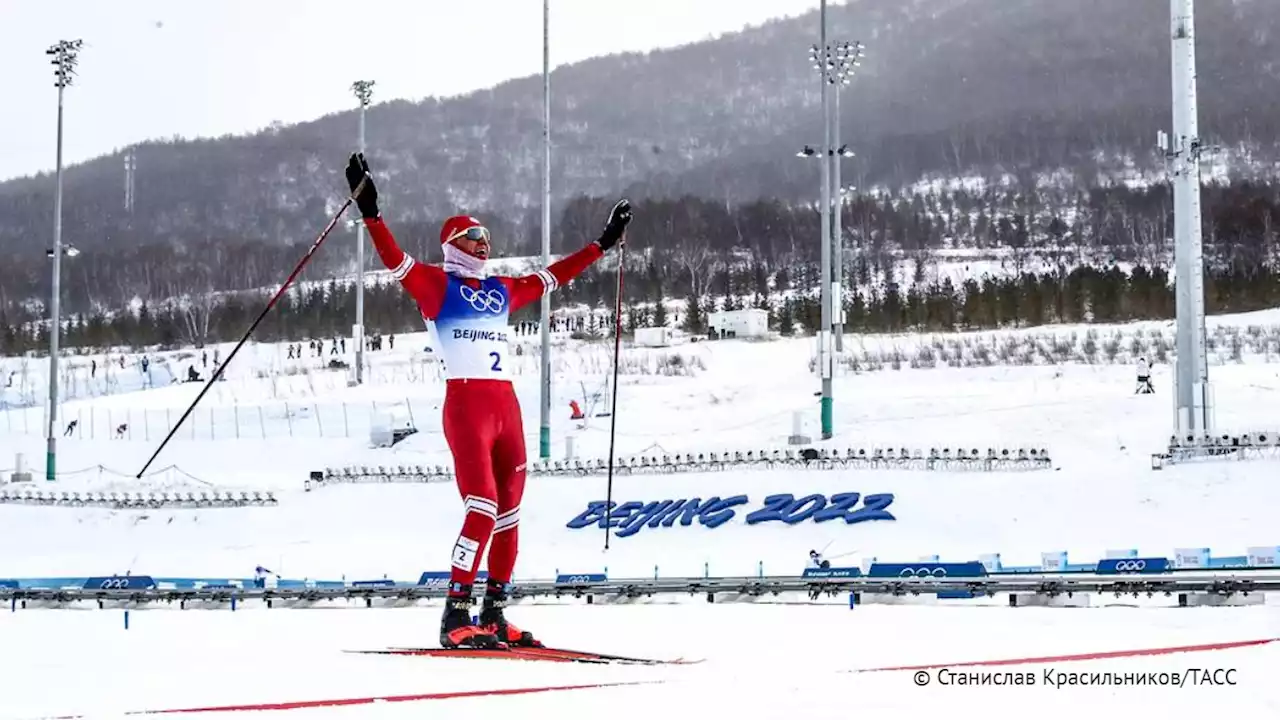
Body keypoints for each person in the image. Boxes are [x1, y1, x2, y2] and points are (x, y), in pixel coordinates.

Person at [344, 153, 631, 650]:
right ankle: (455, 614)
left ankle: (493, 614)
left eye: (487, 238)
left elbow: (554, 276)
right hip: (468, 408)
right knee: (482, 508)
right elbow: (394, 260)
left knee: (511, 513)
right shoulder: (436, 286)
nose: (486, 244)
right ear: (455, 243)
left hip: (507, 409)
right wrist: (372, 214)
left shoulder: (500, 290)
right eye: (476, 238)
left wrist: (602, 244)